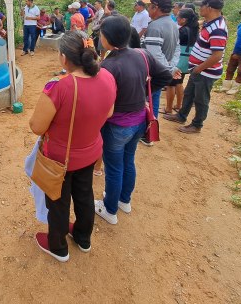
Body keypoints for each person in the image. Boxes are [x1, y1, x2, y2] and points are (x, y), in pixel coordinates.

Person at [29, 31, 116, 262]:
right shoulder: (107, 77)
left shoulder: (59, 87)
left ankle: (58, 247)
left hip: (60, 159)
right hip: (91, 152)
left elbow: (36, 127)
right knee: (85, 195)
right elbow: (109, 112)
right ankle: (83, 238)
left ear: (64, 58)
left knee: (57, 202)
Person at [95, 16, 172, 224]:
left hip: (117, 127)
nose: (100, 37)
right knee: (128, 161)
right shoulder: (142, 54)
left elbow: (102, 102)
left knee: (114, 168)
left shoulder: (108, 66)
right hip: (139, 123)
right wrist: (145, 95)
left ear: (107, 38)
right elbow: (166, 76)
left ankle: (110, 210)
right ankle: (124, 201)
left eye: (101, 34)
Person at [163, 0, 228, 133]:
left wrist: (199, 68)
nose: (199, 9)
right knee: (189, 94)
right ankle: (181, 115)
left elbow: (217, 55)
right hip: (197, 69)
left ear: (209, 7)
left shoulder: (218, 29)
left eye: (202, 6)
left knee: (201, 99)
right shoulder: (209, 23)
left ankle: (197, 125)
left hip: (205, 71)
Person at [141, 0, 180, 129]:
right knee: (154, 99)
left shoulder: (155, 26)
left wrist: (166, 69)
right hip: (162, 70)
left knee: (145, 101)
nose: (149, 10)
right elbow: (177, 49)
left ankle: (146, 130)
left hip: (152, 72)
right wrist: (170, 66)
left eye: (150, 6)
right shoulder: (173, 24)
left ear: (155, 7)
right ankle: (152, 127)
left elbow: (155, 55)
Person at [164, 8, 199, 113]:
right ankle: (179, 105)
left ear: (184, 19)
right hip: (186, 60)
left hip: (178, 60)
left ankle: (169, 108)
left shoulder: (182, 31)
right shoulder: (194, 29)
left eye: (178, 17)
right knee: (179, 82)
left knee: (171, 84)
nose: (176, 18)